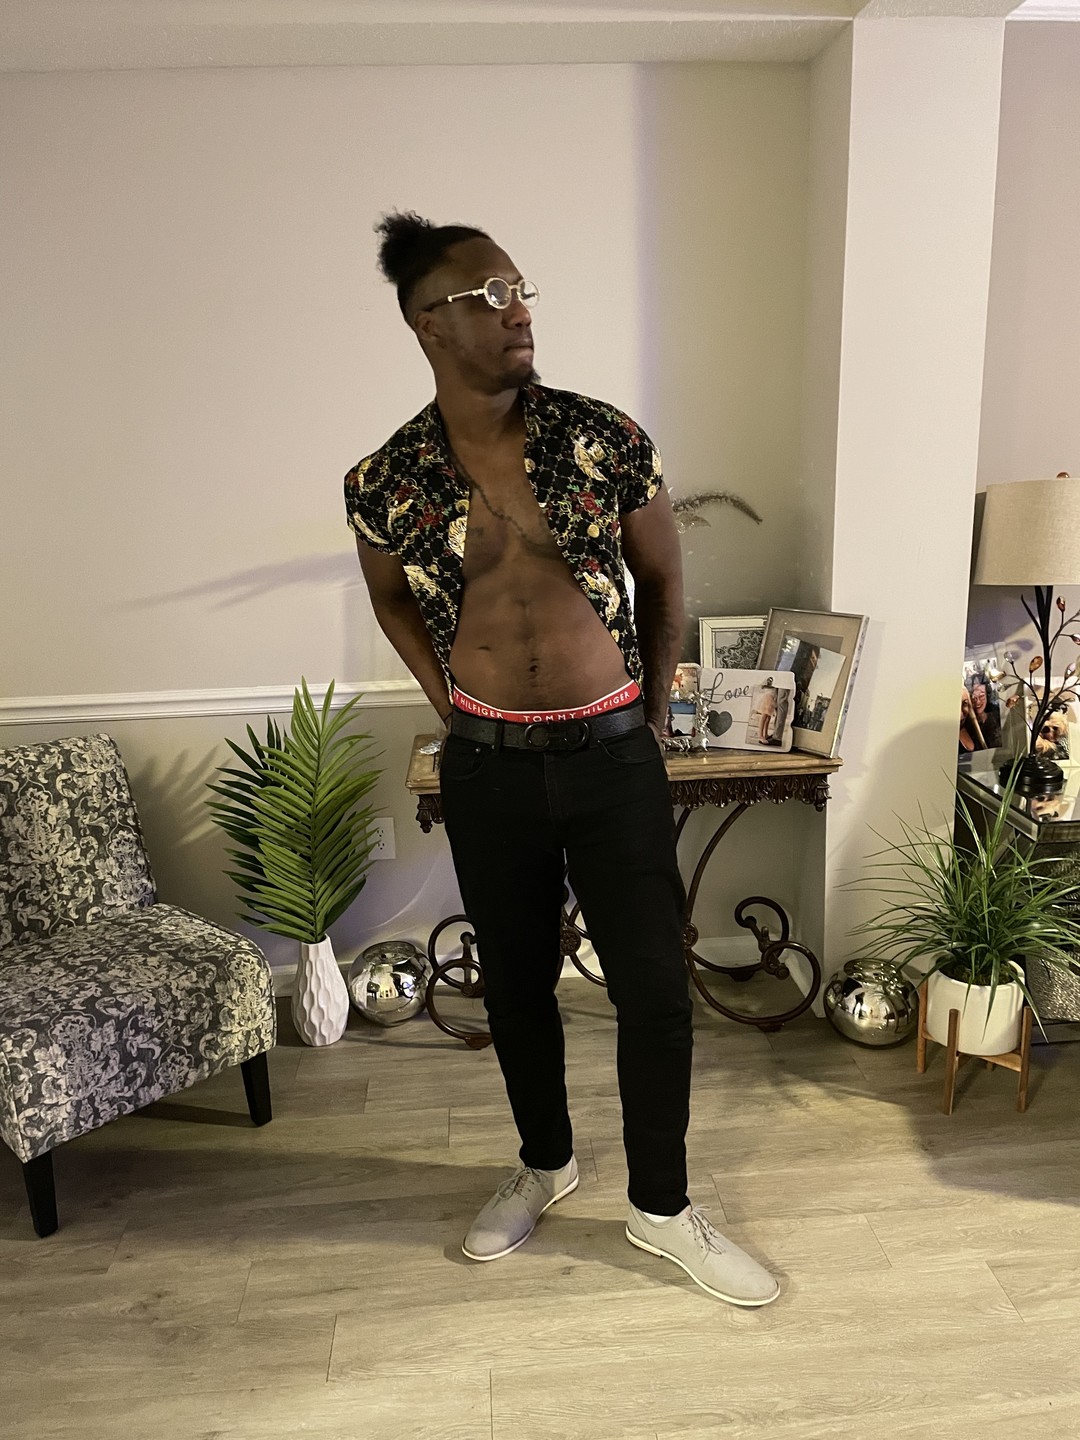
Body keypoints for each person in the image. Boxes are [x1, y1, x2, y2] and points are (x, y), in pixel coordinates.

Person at [345, 211, 778, 1307]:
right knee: (518, 984)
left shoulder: (603, 438)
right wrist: (450, 703)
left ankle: (662, 1208)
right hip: (488, 764)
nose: (519, 311)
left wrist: (656, 714)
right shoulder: (385, 479)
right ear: (427, 323)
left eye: (520, 289)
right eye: (489, 295)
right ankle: (545, 1163)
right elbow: (391, 600)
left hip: (611, 751)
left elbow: (664, 580)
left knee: (653, 987)